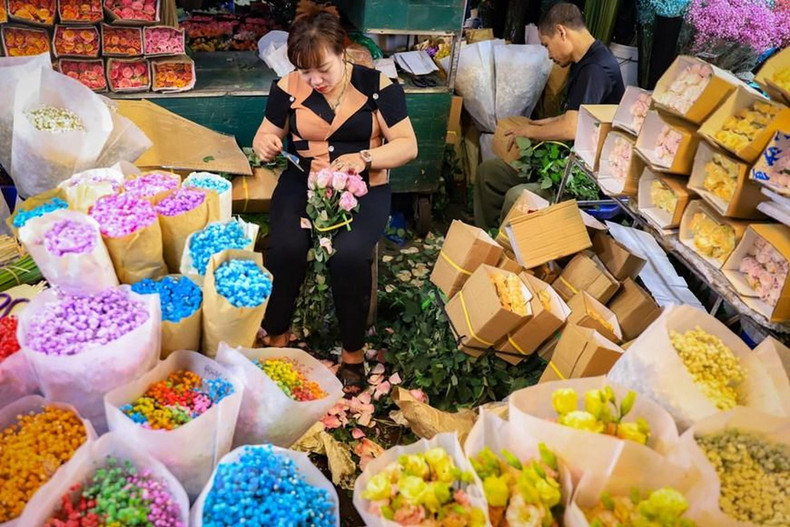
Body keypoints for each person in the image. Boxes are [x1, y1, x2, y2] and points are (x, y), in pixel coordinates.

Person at [252, 3, 418, 394]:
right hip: (302, 180)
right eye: (305, 71)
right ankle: (277, 334)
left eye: (322, 69)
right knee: (287, 247)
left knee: (348, 256)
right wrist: (267, 144)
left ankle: (353, 354)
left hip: (365, 185)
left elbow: (407, 147)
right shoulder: (286, 88)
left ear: (342, 53)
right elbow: (264, 133)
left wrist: (364, 158)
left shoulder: (379, 87)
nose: (314, 80)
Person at [473, 2, 625, 229]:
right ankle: (484, 242)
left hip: (583, 177)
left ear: (562, 32)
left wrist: (529, 131)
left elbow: (572, 128)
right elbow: (577, 116)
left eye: (546, 45)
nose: (548, 55)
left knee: (517, 197)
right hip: (560, 163)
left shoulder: (595, 69)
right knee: (489, 173)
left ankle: (507, 255)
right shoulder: (582, 61)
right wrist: (542, 123)